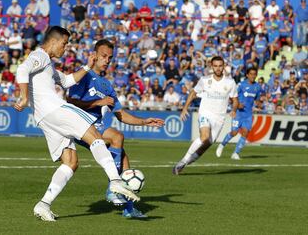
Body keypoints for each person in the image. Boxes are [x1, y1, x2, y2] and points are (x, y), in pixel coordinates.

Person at [14, 26, 139, 222]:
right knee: (95, 136)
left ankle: (44, 204)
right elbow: (22, 69)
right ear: (54, 41)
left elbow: (66, 81)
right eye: (64, 44)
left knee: (71, 162)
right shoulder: (41, 56)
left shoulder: (48, 65)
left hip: (44, 118)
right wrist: (23, 96)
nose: (65, 48)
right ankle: (115, 181)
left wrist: (88, 67)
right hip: (55, 109)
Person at [67, 39, 164, 218]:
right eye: (104, 56)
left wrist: (144, 121)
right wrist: (98, 102)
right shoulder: (83, 75)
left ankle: (128, 208)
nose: (107, 60)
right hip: (79, 125)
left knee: (124, 159)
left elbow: (121, 114)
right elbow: (70, 102)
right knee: (117, 137)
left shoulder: (106, 85)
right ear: (94, 55)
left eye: (110, 58)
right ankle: (113, 188)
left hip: (96, 126)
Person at [173, 56, 238, 175]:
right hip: (205, 113)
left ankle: (187, 162)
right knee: (204, 137)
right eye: (215, 66)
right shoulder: (204, 80)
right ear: (212, 67)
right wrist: (185, 108)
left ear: (223, 66)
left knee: (207, 143)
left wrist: (234, 109)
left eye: (220, 66)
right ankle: (183, 161)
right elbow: (193, 93)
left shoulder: (230, 82)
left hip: (219, 118)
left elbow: (235, 99)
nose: (218, 68)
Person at [216, 67, 261, 160]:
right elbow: (231, 96)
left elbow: (257, 100)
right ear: (247, 75)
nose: (253, 76)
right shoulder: (241, 85)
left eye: (254, 74)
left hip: (248, 115)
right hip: (238, 113)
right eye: (251, 74)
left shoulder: (257, 87)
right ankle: (222, 145)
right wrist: (237, 104)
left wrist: (259, 104)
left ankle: (235, 153)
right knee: (234, 132)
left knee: (245, 133)